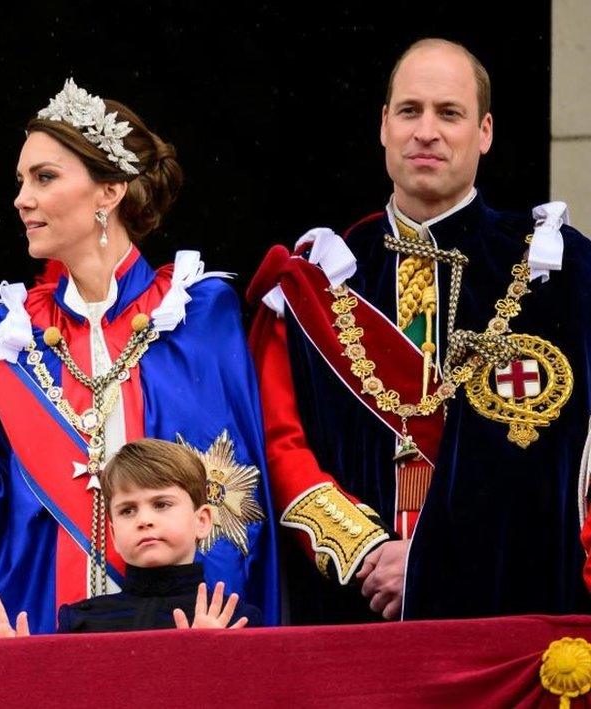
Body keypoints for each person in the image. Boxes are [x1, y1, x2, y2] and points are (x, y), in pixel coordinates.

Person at [0, 79, 280, 633]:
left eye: (45, 177)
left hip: (186, 628)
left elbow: (231, 494)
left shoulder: (196, 312)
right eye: (21, 181)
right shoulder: (9, 337)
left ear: (110, 192)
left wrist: (214, 631)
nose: (21, 199)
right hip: (42, 627)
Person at [247, 38, 591, 623]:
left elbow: (567, 464)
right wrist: (367, 553)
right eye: (409, 111)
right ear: (384, 126)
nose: (425, 131)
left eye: (448, 113)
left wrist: (436, 561)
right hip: (356, 611)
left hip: (510, 613)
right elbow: (281, 446)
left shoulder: (560, 272)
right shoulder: (317, 282)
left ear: (484, 132)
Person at [0, 438, 261, 637]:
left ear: (202, 520)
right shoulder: (81, 621)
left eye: (161, 504)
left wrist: (218, 657)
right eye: (128, 510)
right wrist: (14, 666)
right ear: (114, 534)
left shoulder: (235, 620)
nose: (144, 520)